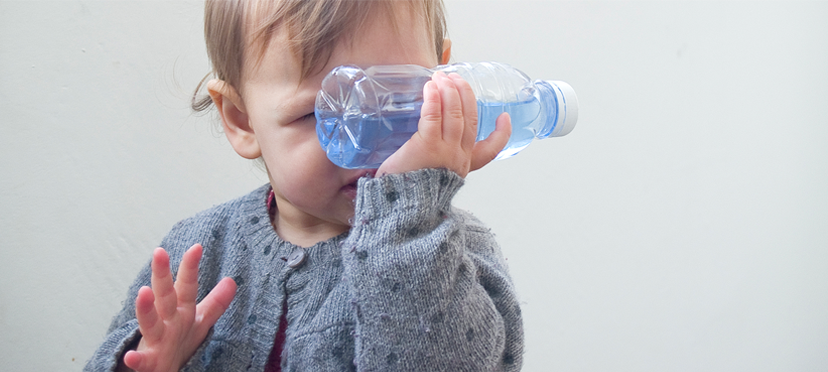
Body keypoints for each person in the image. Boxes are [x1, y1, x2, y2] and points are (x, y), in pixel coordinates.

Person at [85, 0, 523, 371]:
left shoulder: (454, 254)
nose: (368, 144)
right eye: (320, 115)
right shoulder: (198, 251)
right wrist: (151, 360)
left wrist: (406, 217)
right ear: (242, 120)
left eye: (398, 99)